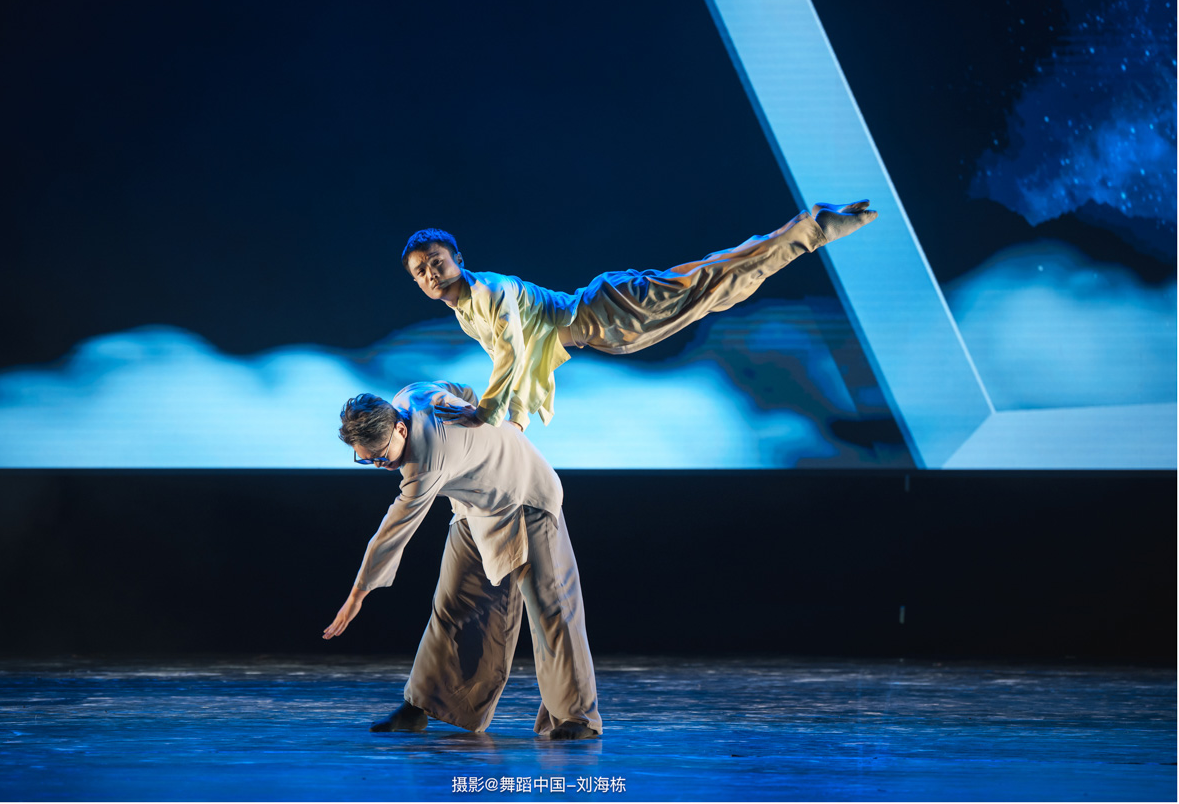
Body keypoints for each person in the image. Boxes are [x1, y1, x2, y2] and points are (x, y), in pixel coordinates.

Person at [402, 202, 878, 431]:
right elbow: (520, 357)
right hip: (611, 333)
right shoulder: (465, 314)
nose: (431, 274)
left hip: (611, 308)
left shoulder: (489, 291)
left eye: (436, 262)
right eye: (421, 272)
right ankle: (810, 229)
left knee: (715, 277)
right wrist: (511, 418)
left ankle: (814, 226)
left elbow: (514, 353)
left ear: (458, 257)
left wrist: (491, 415)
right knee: (721, 289)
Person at [323, 380, 601, 740]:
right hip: (475, 501)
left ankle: (578, 718)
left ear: (400, 429)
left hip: (525, 492)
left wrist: (356, 596)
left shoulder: (425, 463)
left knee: (551, 606)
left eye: (380, 456)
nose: (379, 465)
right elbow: (463, 391)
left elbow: (392, 533)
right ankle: (420, 707)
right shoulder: (412, 394)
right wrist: (477, 414)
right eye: (366, 459)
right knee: (453, 601)